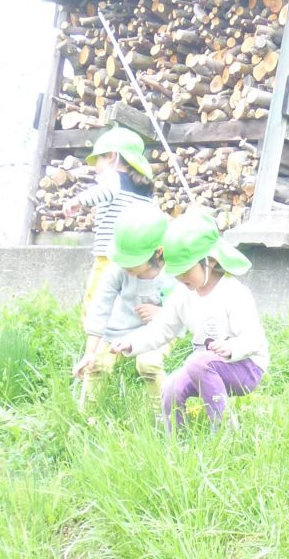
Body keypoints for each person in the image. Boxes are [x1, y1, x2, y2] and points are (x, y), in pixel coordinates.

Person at [111, 210, 268, 430]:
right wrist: (132, 343)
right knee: (171, 387)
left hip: (246, 366)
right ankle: (177, 438)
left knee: (197, 362)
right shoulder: (183, 295)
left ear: (210, 260)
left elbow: (254, 340)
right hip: (205, 367)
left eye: (185, 270)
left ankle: (224, 431)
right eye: (175, 272)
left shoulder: (233, 293)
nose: (180, 278)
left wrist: (231, 348)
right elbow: (162, 328)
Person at [73, 203, 173, 400]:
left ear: (157, 252)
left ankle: (166, 411)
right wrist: (90, 351)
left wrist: (162, 314)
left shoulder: (172, 272)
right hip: (119, 328)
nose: (125, 264)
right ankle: (86, 414)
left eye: (132, 260)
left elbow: (184, 308)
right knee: (97, 364)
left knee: (148, 364)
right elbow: (101, 306)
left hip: (159, 329)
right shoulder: (118, 269)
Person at [76, 127, 156, 328]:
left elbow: (104, 191)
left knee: (97, 297)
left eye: (98, 160)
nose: (96, 168)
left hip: (108, 255)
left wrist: (77, 201)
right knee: (124, 300)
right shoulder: (145, 189)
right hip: (135, 258)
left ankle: (94, 333)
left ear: (111, 156)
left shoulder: (112, 178)